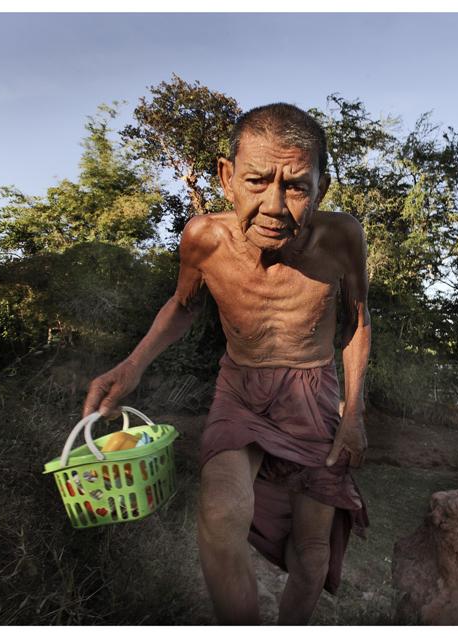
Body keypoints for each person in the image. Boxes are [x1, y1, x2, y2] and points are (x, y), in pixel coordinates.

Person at [82, 103, 370, 625]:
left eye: (296, 186)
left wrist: (353, 414)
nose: (274, 206)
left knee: (311, 553)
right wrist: (133, 365)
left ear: (322, 188)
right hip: (239, 390)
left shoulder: (341, 238)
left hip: (314, 394)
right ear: (226, 177)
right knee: (218, 518)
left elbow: (357, 320)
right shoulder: (204, 238)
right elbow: (183, 305)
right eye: (257, 181)